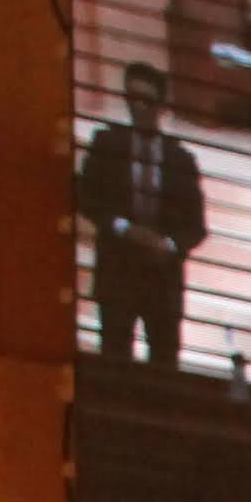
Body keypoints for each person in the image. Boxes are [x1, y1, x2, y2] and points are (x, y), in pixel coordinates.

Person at [77, 62, 205, 369]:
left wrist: (168, 245)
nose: (137, 108)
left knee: (163, 362)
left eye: (146, 101)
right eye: (131, 98)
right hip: (118, 273)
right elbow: (85, 196)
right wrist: (123, 228)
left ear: (161, 106)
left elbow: (196, 226)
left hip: (161, 280)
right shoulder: (106, 146)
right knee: (114, 358)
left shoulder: (180, 160)